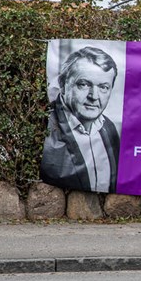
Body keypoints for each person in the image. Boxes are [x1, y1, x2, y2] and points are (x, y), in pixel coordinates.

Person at [41, 46, 120, 193]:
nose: (94, 96)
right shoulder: (47, 123)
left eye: (103, 87)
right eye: (83, 84)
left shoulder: (109, 128)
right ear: (63, 85)